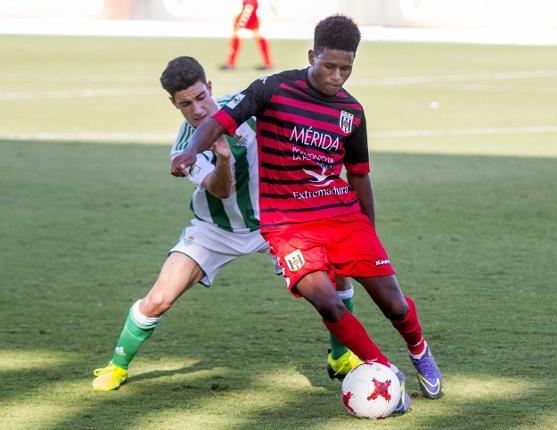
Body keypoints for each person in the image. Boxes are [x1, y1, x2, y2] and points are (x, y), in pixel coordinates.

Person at [171, 15, 444, 413]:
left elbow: (360, 176)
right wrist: (192, 151)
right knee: (328, 302)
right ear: (312, 55)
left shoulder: (352, 112)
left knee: (395, 305)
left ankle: (419, 352)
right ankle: (384, 371)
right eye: (328, 65)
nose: (336, 76)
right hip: (288, 225)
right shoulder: (273, 88)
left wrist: (370, 230)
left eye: (345, 68)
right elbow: (219, 122)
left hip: (342, 216)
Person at [92, 56, 360, 391]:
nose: (198, 109)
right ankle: (116, 366)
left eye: (201, 96)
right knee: (159, 298)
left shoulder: (244, 106)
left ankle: (340, 356)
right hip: (214, 231)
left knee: (333, 276)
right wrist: (222, 156)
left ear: (211, 88)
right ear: (174, 103)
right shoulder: (182, 150)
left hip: (275, 223)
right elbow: (220, 190)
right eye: (186, 103)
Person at [220, 0, 272, 70]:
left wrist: (239, 24)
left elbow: (248, 9)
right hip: (252, 18)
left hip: (249, 18)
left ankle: (230, 63)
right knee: (260, 39)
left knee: (236, 38)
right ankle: (267, 63)